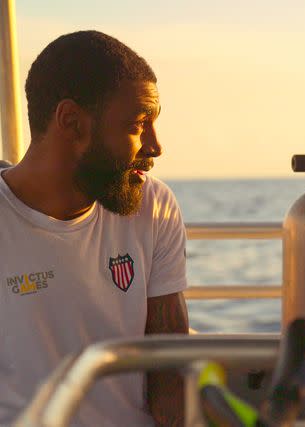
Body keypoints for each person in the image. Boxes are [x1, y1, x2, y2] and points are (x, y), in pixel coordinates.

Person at [0, 31, 189, 425]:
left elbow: (169, 371)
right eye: (139, 125)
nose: (156, 146)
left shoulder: (154, 207)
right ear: (71, 121)